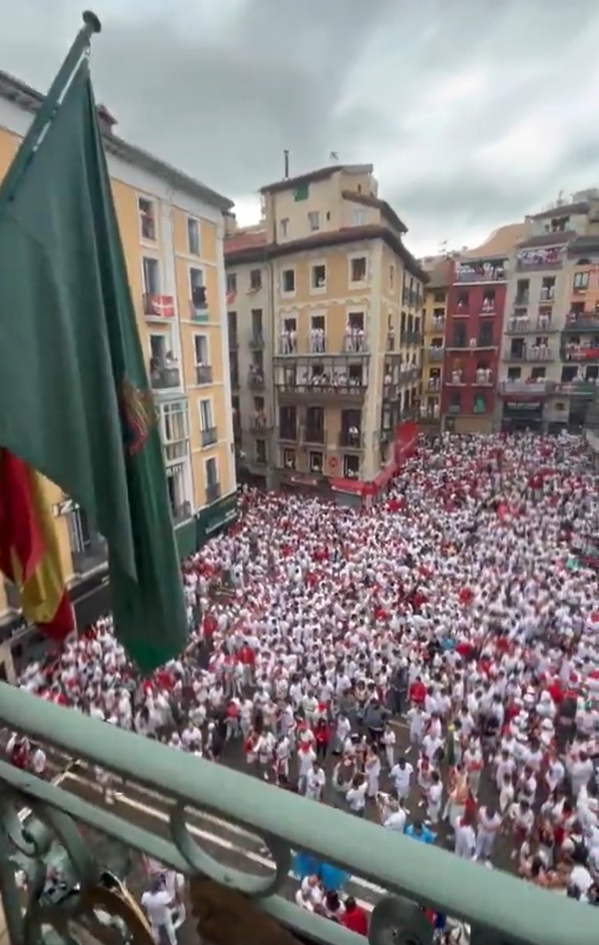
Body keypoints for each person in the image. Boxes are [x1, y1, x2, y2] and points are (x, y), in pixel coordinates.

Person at [141, 875, 177, 945]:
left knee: (154, 929)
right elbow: (171, 906)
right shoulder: (164, 895)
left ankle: (155, 941)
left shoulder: (145, 896)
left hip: (153, 918)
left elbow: (144, 907)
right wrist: (175, 901)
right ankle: (174, 942)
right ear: (160, 886)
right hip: (164, 918)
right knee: (170, 926)